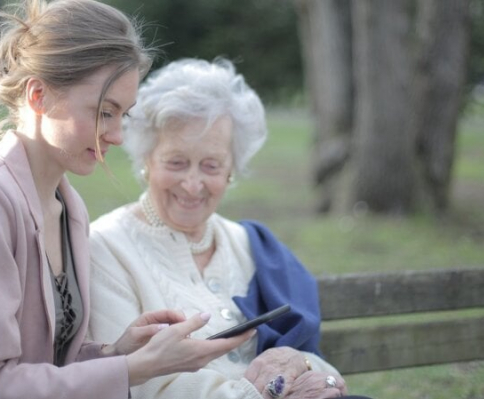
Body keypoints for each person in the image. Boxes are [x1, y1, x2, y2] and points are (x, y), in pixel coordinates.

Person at [0, 2, 252, 398]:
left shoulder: (68, 207)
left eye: (123, 115)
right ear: (39, 95)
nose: (117, 136)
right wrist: (132, 369)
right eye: (104, 112)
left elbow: (46, 366)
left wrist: (115, 352)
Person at [88, 58, 372, 399]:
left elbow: (314, 363)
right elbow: (143, 385)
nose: (193, 184)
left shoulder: (251, 245)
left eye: (211, 165)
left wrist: (312, 373)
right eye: (176, 162)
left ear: (231, 171)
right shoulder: (106, 247)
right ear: (147, 160)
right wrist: (258, 393)